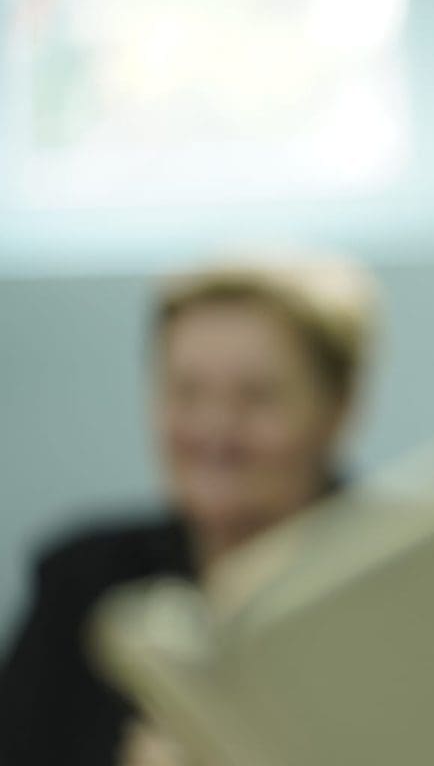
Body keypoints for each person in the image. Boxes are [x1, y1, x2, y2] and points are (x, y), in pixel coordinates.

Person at [0, 253, 377, 766]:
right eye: (186, 392)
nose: (214, 428)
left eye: (257, 396)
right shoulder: (83, 584)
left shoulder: (402, 586)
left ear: (339, 406)